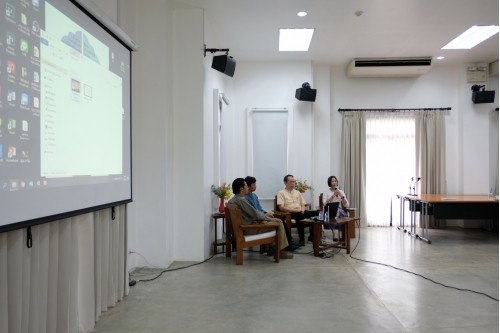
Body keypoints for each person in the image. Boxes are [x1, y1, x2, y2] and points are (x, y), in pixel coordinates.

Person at [228, 178, 293, 259]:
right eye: (246, 186)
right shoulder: (241, 200)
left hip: (243, 226)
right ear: (241, 189)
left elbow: (250, 214)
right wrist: (271, 219)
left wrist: (262, 219)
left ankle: (273, 249)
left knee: (274, 222)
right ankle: (280, 251)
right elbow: (255, 214)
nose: (247, 188)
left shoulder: (233, 200)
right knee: (279, 223)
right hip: (247, 229)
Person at [244, 176, 301, 250]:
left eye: (255, 184)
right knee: (279, 221)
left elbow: (259, 208)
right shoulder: (246, 198)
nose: (256, 186)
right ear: (248, 186)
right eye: (253, 185)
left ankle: (289, 241)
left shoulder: (254, 196)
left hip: (261, 215)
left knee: (279, 217)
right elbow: (253, 212)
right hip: (258, 219)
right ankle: (286, 245)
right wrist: (264, 215)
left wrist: (266, 212)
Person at [277, 175, 319, 246]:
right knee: (300, 215)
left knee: (317, 213)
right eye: (291, 182)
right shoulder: (281, 193)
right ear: (285, 182)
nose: (293, 183)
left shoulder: (297, 192)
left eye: (294, 182)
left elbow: (303, 204)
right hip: (289, 213)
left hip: (300, 211)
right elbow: (281, 208)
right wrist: (296, 210)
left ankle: (312, 237)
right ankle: (301, 239)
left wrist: (302, 209)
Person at [322, 175, 350, 242]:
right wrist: (333, 195)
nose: (334, 182)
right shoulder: (326, 191)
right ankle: (335, 234)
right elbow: (324, 203)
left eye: (335, 181)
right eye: (332, 181)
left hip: (338, 209)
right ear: (329, 183)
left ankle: (341, 234)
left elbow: (347, 205)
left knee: (341, 214)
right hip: (329, 209)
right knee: (332, 215)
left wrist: (341, 195)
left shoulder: (341, 192)